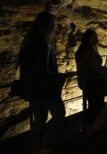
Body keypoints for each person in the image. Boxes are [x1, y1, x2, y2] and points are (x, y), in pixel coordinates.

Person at [19, 11, 65, 154]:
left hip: (33, 91)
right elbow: (43, 71)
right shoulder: (43, 45)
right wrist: (60, 76)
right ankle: (45, 147)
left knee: (39, 121)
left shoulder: (28, 42)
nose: (56, 29)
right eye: (55, 26)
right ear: (50, 26)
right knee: (59, 115)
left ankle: (36, 149)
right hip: (46, 91)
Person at [75, 29, 107, 129]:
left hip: (90, 81)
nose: (97, 39)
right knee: (96, 105)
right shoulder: (88, 51)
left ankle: (89, 125)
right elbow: (94, 67)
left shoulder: (87, 50)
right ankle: (86, 126)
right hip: (93, 81)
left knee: (94, 105)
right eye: (94, 37)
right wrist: (102, 70)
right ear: (88, 39)